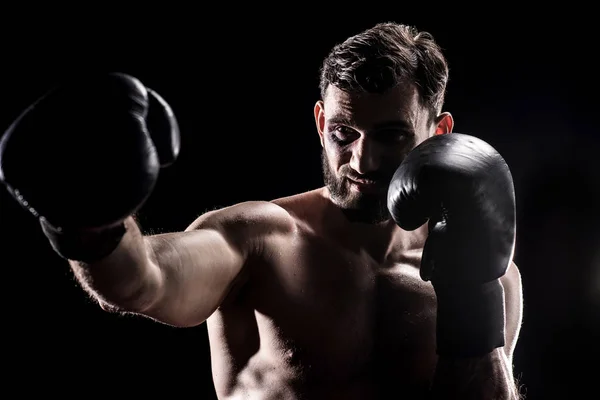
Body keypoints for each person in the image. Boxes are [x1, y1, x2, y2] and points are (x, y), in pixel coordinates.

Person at [0, 22, 523, 399]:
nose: (361, 159)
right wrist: (88, 221)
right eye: (344, 133)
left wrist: (472, 294)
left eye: (391, 136)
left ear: (440, 133)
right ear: (321, 122)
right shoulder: (261, 239)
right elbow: (144, 281)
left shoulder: (484, 271)